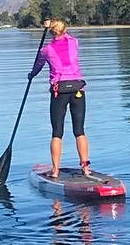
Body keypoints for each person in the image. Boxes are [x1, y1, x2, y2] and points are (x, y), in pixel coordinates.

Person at [30, 18, 90, 180]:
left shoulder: (46, 50)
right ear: (65, 30)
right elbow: (67, 36)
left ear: (51, 32)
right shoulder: (74, 42)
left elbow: (37, 67)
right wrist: (54, 25)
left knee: (57, 132)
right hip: (78, 90)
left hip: (59, 92)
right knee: (79, 130)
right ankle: (85, 169)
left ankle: (55, 170)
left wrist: (31, 75)